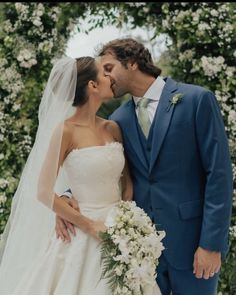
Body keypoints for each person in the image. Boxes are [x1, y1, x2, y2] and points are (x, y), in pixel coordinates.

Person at [57, 38, 233, 295]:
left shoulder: (196, 100)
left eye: (108, 68)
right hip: (139, 253)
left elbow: (219, 175)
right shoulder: (118, 119)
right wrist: (66, 197)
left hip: (194, 245)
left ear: (131, 63)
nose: (104, 77)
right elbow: (104, 169)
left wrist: (211, 244)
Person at [0, 55, 162, 294]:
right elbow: (44, 192)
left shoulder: (112, 127)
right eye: (104, 73)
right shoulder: (65, 131)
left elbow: (126, 181)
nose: (110, 77)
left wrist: (125, 222)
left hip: (119, 229)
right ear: (92, 85)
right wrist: (90, 226)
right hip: (82, 232)